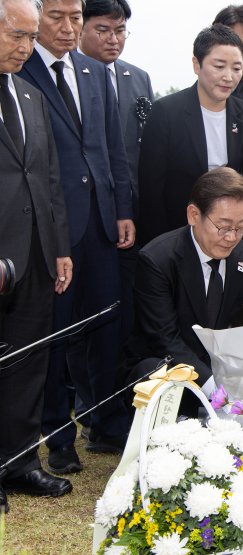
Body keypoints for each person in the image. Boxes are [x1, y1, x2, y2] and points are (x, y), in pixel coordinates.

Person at [19, 0, 135, 473]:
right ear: (36, 16)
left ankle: (106, 426)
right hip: (51, 231)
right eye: (57, 18)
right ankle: (57, 437)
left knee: (108, 329)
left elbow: (113, 147)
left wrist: (123, 209)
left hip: (103, 225)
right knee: (55, 336)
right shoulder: (18, 71)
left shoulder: (92, 72)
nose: (68, 29)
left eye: (74, 18)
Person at [0, 0, 73, 508]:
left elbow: (48, 180)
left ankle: (20, 462)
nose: (27, 48)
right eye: (17, 36)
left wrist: (60, 248)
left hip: (36, 255)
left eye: (30, 38)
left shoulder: (29, 94)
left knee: (28, 363)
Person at [78, 0, 153, 424]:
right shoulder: (68, 79)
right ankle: (92, 412)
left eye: (121, 30)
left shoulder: (137, 77)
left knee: (127, 316)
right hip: (90, 220)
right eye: (103, 29)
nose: (114, 39)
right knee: (92, 320)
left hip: (134, 218)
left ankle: (122, 405)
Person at [125, 168, 243, 392]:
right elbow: (165, 340)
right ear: (193, 215)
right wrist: (216, 390)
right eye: (223, 226)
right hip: (174, 370)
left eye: (240, 227)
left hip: (230, 371)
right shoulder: (157, 261)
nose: (231, 238)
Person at [137, 24, 243, 246]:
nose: (228, 77)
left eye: (236, 68)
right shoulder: (166, 112)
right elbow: (151, 188)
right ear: (196, 64)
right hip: (177, 232)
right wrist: (160, 244)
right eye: (219, 66)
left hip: (230, 236)